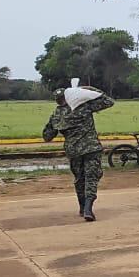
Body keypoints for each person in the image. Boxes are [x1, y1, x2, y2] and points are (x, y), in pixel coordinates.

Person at [42, 87, 114, 221]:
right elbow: (109, 101)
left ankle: (82, 207)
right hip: (91, 148)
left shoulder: (56, 115)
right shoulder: (83, 107)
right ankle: (88, 208)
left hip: (73, 151)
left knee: (79, 179)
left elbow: (47, 136)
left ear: (57, 101)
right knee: (91, 178)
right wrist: (88, 89)